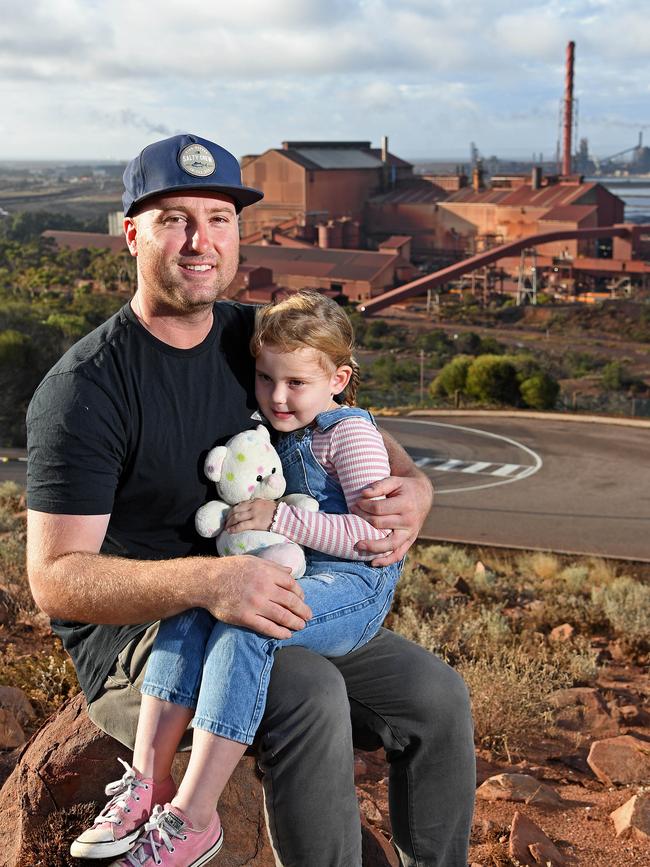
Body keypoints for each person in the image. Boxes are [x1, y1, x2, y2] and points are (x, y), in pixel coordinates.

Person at [26, 133, 475, 867]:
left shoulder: (250, 336)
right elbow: (57, 578)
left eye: (219, 218)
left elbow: (340, 414)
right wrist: (210, 581)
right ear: (132, 233)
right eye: (175, 219)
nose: (200, 240)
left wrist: (416, 487)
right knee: (307, 692)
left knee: (435, 697)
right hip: (146, 638)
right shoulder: (88, 390)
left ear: (239, 233)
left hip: (268, 586)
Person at [72, 289, 406, 865]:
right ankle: (147, 783)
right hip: (298, 567)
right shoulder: (280, 421)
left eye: (296, 384)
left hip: (355, 584)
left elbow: (371, 539)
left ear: (338, 378)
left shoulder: (350, 435)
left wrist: (282, 518)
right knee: (202, 597)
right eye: (266, 379)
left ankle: (195, 817)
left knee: (249, 621)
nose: (278, 397)